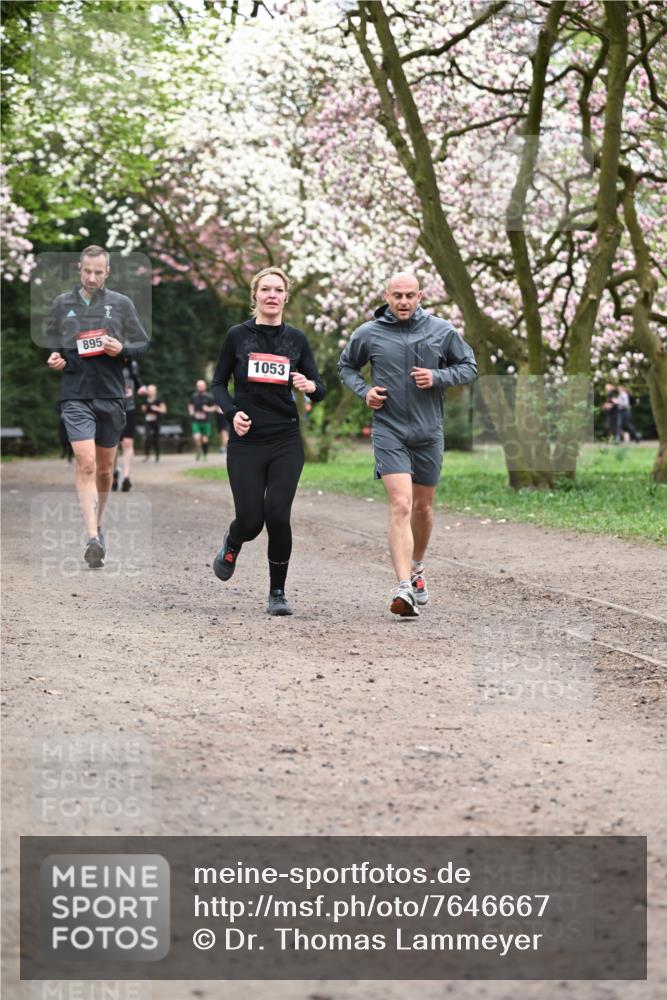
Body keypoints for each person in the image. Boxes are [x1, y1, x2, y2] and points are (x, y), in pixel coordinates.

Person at [338, 272, 477, 617]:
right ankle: (403, 588)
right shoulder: (368, 333)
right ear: (386, 295)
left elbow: (469, 366)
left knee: (423, 509)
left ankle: (416, 568)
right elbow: (346, 367)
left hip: (429, 430)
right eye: (397, 295)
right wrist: (365, 392)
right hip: (389, 429)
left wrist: (438, 377)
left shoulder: (440, 330)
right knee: (400, 504)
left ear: (420, 296)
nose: (402, 301)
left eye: (409, 295)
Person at [210, 266, 325, 615]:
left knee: (277, 515)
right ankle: (233, 542)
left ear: (286, 297)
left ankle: (278, 592)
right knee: (250, 520)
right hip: (247, 440)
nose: (272, 295)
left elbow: (319, 389)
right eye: (265, 290)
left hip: (285, 439)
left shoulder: (297, 340)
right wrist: (232, 413)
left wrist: (309, 387)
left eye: (278, 290)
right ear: (255, 296)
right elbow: (218, 383)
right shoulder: (236, 336)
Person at [46, 245, 149, 567]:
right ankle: (91, 537)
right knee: (87, 464)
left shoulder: (121, 304)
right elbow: (53, 345)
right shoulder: (62, 304)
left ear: (108, 273)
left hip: (111, 395)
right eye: (87, 271)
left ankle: (98, 524)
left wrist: (122, 349)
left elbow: (142, 344)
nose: (92, 277)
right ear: (79, 268)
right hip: (75, 394)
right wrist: (54, 359)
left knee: (105, 470)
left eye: (98, 272)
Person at [113, 359, 145, 491]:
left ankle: (126, 477)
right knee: (112, 445)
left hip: (129, 408)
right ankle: (113, 474)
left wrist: (141, 388)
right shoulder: (108, 362)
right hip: (112, 408)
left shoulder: (133, 365)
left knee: (127, 444)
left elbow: (136, 381)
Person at [189, 379, 217, 460]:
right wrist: (191, 411)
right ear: (196, 387)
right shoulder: (194, 396)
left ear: (205, 387)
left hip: (206, 422)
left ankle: (205, 454)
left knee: (204, 440)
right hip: (196, 421)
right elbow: (190, 405)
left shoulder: (209, 397)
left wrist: (208, 409)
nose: (200, 387)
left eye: (201, 386)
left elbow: (215, 407)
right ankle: (198, 451)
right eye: (198, 386)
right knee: (197, 438)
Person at [141, 384, 167, 461]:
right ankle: (146, 455)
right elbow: (143, 410)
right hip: (148, 421)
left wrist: (157, 408)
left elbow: (164, 410)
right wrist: (144, 409)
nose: (150, 392)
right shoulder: (145, 400)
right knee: (147, 437)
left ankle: (157, 455)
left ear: (155, 391)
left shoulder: (159, 400)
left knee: (156, 439)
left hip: (156, 422)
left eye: (152, 391)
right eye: (149, 390)